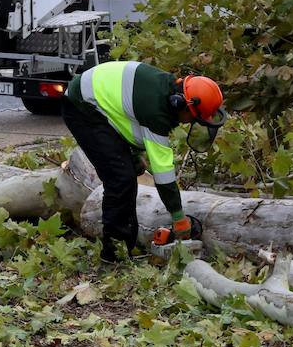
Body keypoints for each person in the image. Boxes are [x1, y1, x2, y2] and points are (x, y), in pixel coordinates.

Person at [62, 60, 225, 261]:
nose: (189, 122)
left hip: (98, 106)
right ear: (180, 104)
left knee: (127, 172)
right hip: (82, 108)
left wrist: (132, 156)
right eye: (192, 118)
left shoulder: (165, 89)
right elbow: (163, 174)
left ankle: (126, 243)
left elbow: (124, 113)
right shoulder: (157, 112)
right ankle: (114, 255)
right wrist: (178, 217)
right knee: (120, 179)